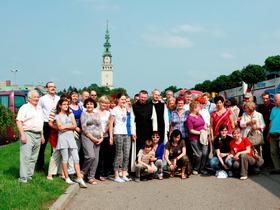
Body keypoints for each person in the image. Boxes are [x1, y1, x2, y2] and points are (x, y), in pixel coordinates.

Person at [55, 98, 87, 187]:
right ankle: (66, 177)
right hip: (62, 139)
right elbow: (60, 127)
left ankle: (79, 177)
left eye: (67, 104)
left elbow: (75, 125)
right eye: (64, 104)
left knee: (76, 158)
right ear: (60, 105)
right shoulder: (57, 116)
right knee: (65, 158)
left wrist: (66, 127)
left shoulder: (71, 114)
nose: (66, 106)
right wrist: (70, 126)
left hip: (71, 138)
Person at [16, 90, 45, 183]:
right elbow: (19, 121)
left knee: (33, 157)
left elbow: (40, 123)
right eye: (34, 97)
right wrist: (22, 135)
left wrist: (42, 135)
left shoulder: (39, 108)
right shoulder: (24, 107)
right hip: (27, 133)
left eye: (38, 97)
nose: (37, 98)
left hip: (38, 134)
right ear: (29, 98)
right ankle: (23, 178)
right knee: (26, 156)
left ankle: (29, 175)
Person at [37, 82, 60, 171]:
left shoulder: (59, 98)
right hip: (45, 124)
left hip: (56, 124)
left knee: (55, 147)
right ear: (46, 88)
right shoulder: (42, 99)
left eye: (54, 87)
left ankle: (53, 168)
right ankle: (40, 167)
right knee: (42, 146)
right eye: (50, 87)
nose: (52, 88)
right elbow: (38, 111)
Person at [109, 93, 131, 183]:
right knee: (119, 155)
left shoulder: (125, 109)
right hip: (117, 133)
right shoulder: (115, 109)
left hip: (125, 133)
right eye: (122, 99)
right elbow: (110, 123)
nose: (124, 101)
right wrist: (111, 136)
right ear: (118, 100)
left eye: (125, 100)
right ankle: (116, 175)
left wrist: (127, 107)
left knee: (126, 154)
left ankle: (124, 174)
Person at [80, 98, 103, 185]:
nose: (89, 105)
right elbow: (84, 128)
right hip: (88, 137)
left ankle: (91, 177)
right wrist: (92, 138)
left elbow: (100, 126)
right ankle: (83, 172)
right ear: (85, 105)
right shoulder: (84, 114)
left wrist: (101, 137)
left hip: (98, 138)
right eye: (88, 104)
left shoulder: (96, 114)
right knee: (90, 156)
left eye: (91, 104)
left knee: (96, 159)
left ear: (94, 105)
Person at [186, 101, 208, 175]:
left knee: (205, 153)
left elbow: (204, 124)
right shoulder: (189, 118)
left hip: (204, 137)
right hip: (194, 138)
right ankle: (196, 168)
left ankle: (202, 168)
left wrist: (206, 128)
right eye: (198, 107)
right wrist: (200, 133)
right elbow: (191, 130)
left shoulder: (200, 115)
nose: (200, 108)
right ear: (194, 108)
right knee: (199, 154)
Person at [95, 96, 113, 180]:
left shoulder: (108, 113)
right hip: (95, 136)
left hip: (105, 136)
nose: (104, 104)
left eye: (106, 103)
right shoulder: (94, 111)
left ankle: (101, 173)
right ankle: (94, 173)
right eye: (102, 102)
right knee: (95, 156)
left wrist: (108, 136)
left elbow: (109, 125)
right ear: (99, 102)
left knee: (103, 156)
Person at [257, 92, 274, 167]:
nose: (265, 100)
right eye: (264, 98)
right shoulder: (260, 107)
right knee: (264, 147)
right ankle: (265, 163)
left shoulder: (273, 107)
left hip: (271, 129)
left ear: (269, 98)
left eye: (267, 98)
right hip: (262, 129)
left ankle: (271, 163)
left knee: (271, 147)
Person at [269, 93, 280, 174]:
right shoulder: (273, 109)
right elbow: (271, 121)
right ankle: (277, 168)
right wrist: (269, 132)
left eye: (276, 100)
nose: (274, 101)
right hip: (273, 133)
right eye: (274, 100)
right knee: (273, 152)